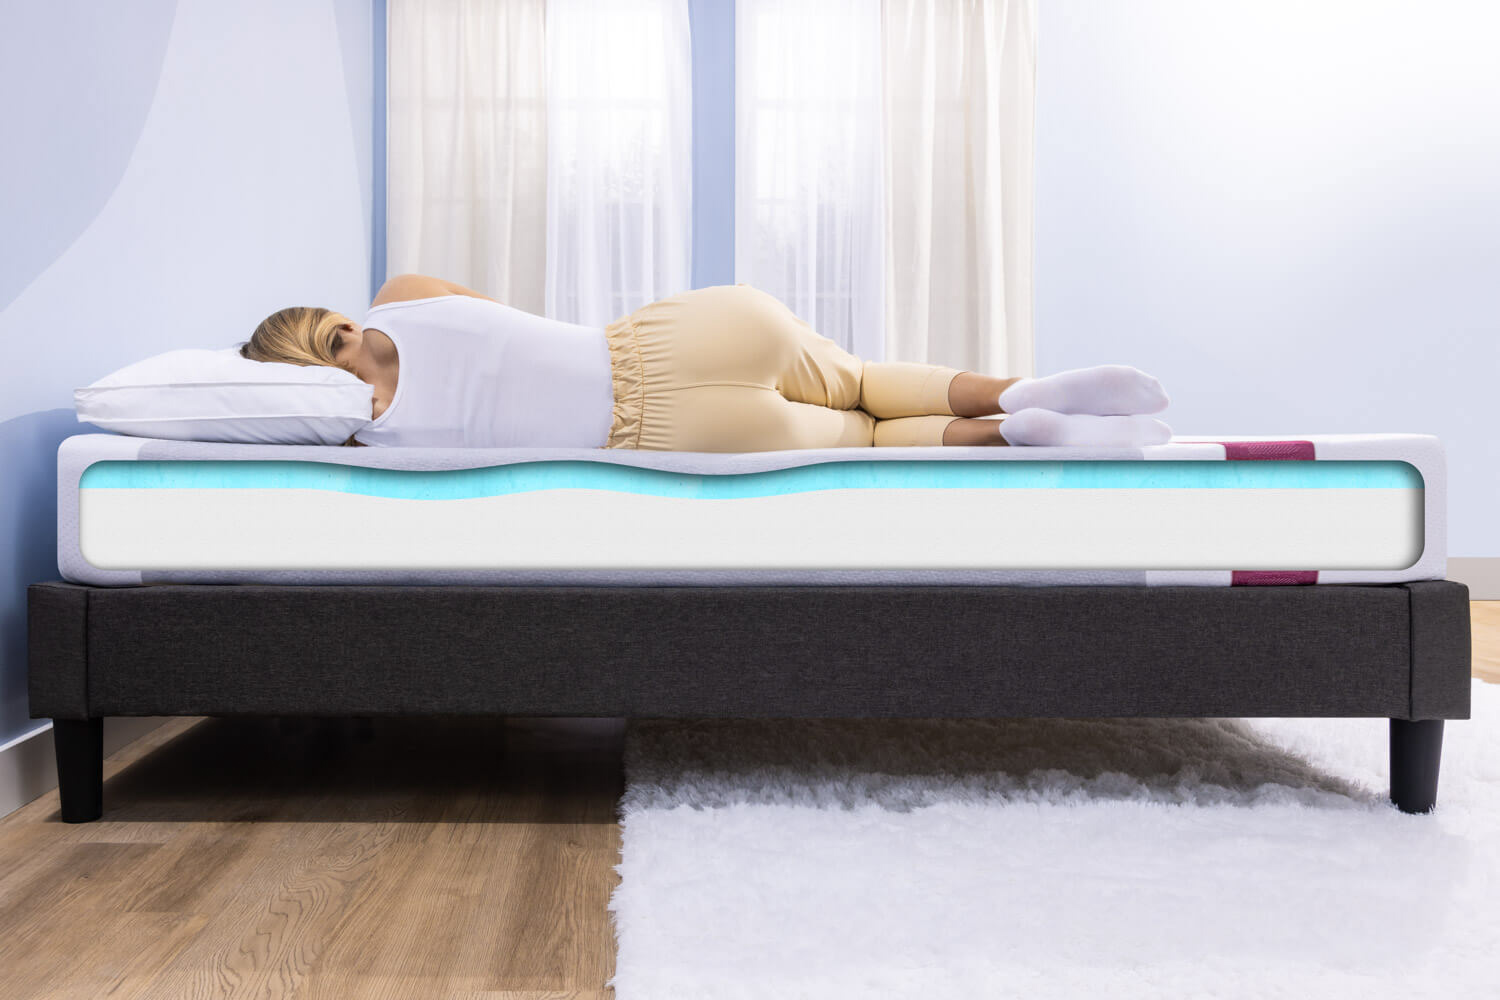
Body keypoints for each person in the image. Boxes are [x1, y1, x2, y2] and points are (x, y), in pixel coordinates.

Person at [240, 274, 1171, 451]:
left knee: (872, 441)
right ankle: (1024, 387)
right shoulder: (403, 296)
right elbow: (503, 325)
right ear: (340, 325)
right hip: (676, 336)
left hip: (667, 432)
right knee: (859, 378)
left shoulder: (368, 442)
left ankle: (1011, 433)